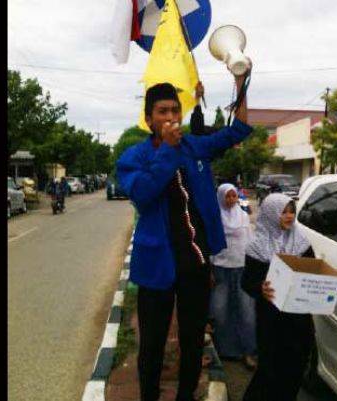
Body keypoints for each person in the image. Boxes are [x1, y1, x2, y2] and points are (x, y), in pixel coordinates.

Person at [116, 67, 252, 401]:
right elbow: (144, 194)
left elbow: (239, 130)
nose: (172, 117)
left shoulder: (195, 146)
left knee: (193, 339)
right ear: (149, 119)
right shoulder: (134, 157)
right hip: (156, 266)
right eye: (163, 112)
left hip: (195, 262)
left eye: (176, 110)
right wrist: (167, 151)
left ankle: (186, 395)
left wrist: (240, 85)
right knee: (152, 344)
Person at [241, 193, 315, 401]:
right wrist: (259, 288)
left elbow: (313, 273)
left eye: (292, 211)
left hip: (299, 319)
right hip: (271, 320)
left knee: (295, 368)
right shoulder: (257, 247)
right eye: (284, 212)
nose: (289, 216)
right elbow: (246, 282)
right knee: (270, 372)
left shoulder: (302, 243)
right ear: (271, 214)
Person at [209, 184, 256, 368]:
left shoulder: (243, 216)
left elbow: (250, 241)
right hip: (220, 269)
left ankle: (249, 351)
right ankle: (227, 351)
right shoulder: (214, 218)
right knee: (221, 311)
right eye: (227, 197)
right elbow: (209, 244)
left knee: (246, 312)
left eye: (233, 196)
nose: (231, 200)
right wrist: (209, 270)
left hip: (242, 268)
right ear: (220, 197)